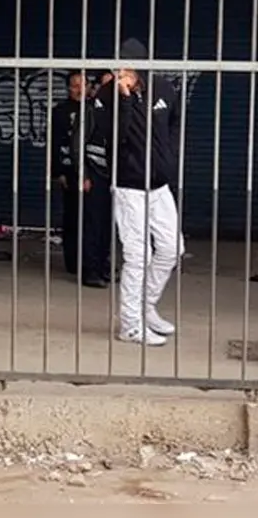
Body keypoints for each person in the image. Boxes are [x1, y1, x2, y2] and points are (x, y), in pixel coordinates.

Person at [97, 38, 182, 346]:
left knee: (172, 249)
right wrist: (125, 97)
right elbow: (113, 136)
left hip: (159, 185)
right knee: (138, 256)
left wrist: (168, 158)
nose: (122, 71)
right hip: (129, 186)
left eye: (128, 66)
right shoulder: (107, 94)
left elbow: (173, 123)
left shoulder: (163, 88)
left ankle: (146, 308)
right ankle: (130, 324)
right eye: (117, 66)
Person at [50, 71, 111, 288]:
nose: (79, 89)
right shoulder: (64, 112)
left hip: (102, 175)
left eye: (83, 85)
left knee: (101, 222)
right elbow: (61, 144)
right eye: (75, 85)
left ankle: (100, 264)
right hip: (78, 173)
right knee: (78, 220)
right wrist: (61, 173)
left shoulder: (102, 108)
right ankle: (80, 264)